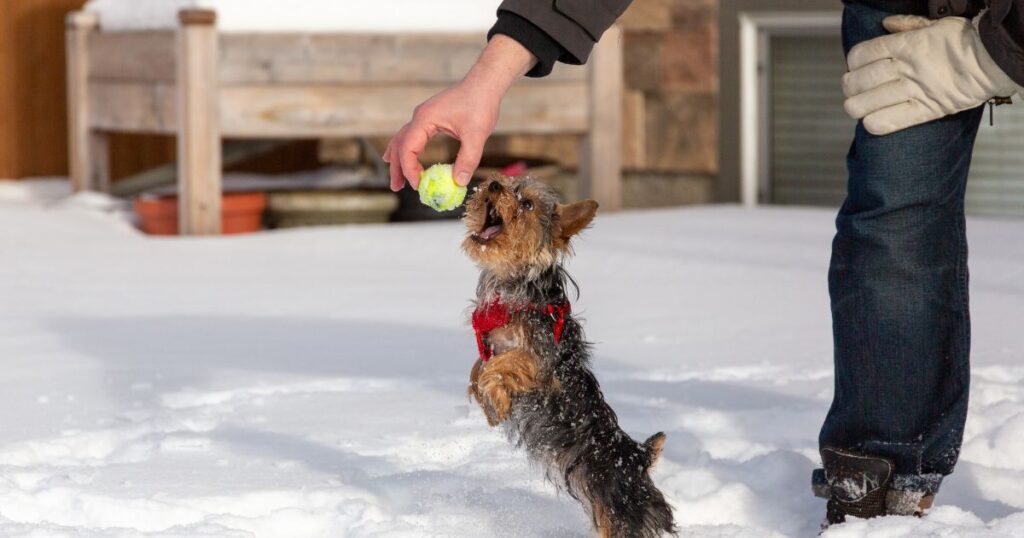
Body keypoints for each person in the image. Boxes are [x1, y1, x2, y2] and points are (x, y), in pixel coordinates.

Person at [385, 0, 1024, 526]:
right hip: (901, 10)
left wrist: (997, 50)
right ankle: (878, 488)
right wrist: (491, 73)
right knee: (892, 227)